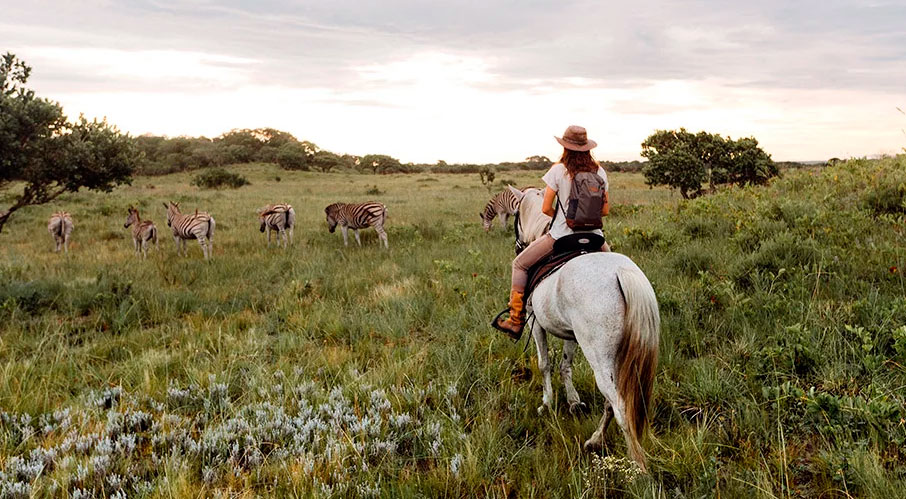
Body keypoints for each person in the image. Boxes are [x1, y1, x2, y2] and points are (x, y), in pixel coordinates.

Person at [494, 125, 610, 340]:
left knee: (519, 264)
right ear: (586, 148)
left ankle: (515, 320)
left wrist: (564, 215)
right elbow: (605, 210)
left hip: (561, 237)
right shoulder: (599, 172)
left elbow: (546, 208)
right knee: (614, 267)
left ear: (565, 147)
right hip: (596, 238)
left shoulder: (558, 171)